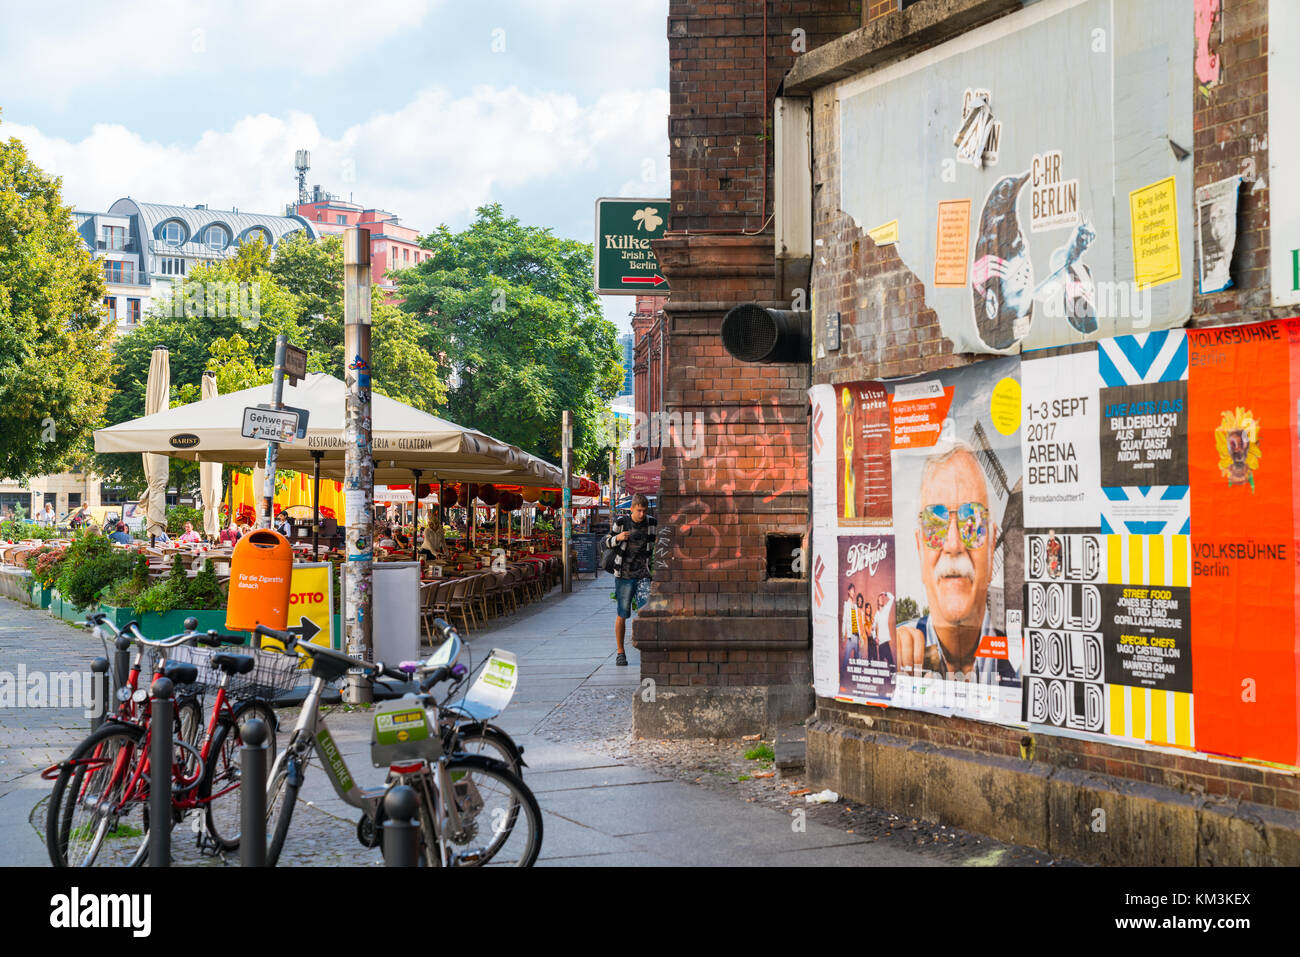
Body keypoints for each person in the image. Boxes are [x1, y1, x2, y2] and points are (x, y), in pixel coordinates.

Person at [895, 443, 1015, 686]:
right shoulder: (892, 653)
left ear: (992, 549)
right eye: (934, 522)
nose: (953, 543)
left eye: (972, 519)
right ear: (920, 550)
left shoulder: (1022, 660)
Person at [604, 493, 656, 666]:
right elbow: (606, 542)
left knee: (645, 612)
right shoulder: (622, 522)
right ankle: (620, 652)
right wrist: (618, 538)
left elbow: (657, 543)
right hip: (624, 575)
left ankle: (644, 648)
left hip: (643, 574)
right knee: (622, 613)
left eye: (644, 511)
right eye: (638, 510)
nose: (642, 514)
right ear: (632, 508)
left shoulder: (651, 523)